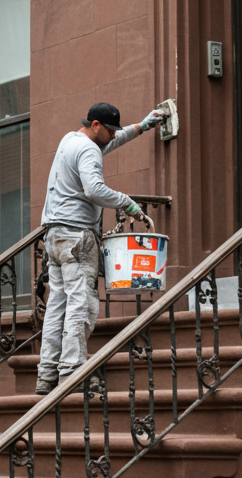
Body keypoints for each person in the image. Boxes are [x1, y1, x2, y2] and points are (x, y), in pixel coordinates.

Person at [36, 101, 168, 395]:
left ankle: (46, 375)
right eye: (109, 130)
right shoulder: (88, 150)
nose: (112, 135)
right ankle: (72, 372)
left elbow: (109, 144)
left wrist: (142, 126)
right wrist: (127, 203)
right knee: (82, 304)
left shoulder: (71, 140)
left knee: (58, 305)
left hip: (55, 237)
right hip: (77, 238)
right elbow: (94, 190)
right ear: (95, 125)